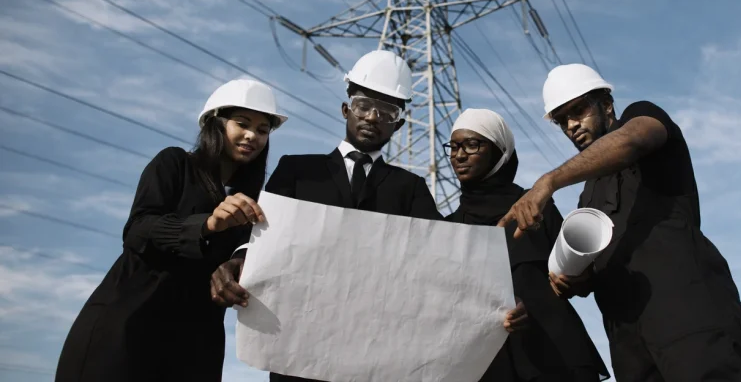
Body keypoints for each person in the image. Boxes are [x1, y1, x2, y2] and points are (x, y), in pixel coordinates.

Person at [210, 51, 527, 382]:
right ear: (346, 109)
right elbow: (263, 230)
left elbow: (446, 257)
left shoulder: (411, 188)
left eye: (387, 112)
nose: (373, 117)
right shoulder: (297, 170)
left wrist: (498, 297)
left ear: (399, 124)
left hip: (377, 356)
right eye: (363, 106)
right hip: (300, 347)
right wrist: (239, 260)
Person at [497, 64, 741, 382]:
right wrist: (574, 280)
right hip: (629, 346)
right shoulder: (588, 197)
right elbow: (592, 275)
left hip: (689, 317)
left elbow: (634, 140)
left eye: (578, 110)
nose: (571, 125)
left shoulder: (642, 118)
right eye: (561, 120)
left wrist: (548, 181)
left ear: (607, 104)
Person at [55, 78, 287, 382]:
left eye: (262, 130)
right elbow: (138, 230)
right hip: (129, 327)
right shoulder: (174, 164)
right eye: (242, 123)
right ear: (215, 125)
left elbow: (249, 260)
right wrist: (206, 224)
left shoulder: (255, 205)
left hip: (195, 346)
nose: (251, 135)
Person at [445, 108, 610, 382]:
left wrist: (573, 280)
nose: (459, 155)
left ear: (500, 152)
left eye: (472, 145)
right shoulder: (450, 227)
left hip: (555, 357)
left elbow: (582, 278)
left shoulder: (534, 206)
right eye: (453, 147)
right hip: (490, 367)